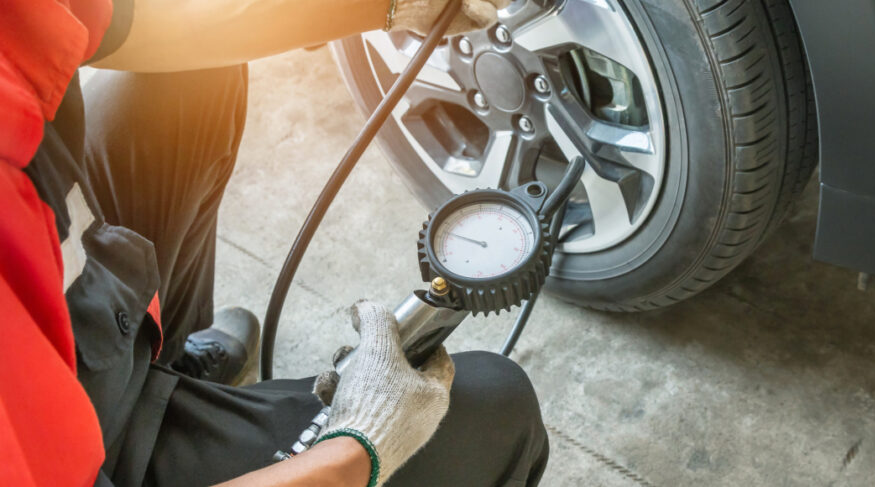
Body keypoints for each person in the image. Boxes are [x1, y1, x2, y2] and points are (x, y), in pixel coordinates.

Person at [0, 0, 549, 485]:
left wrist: (384, 5)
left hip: (75, 323)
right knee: (496, 405)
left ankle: (166, 361)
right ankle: (162, 426)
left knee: (187, 83)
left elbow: (118, 19)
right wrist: (356, 449)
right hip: (89, 464)